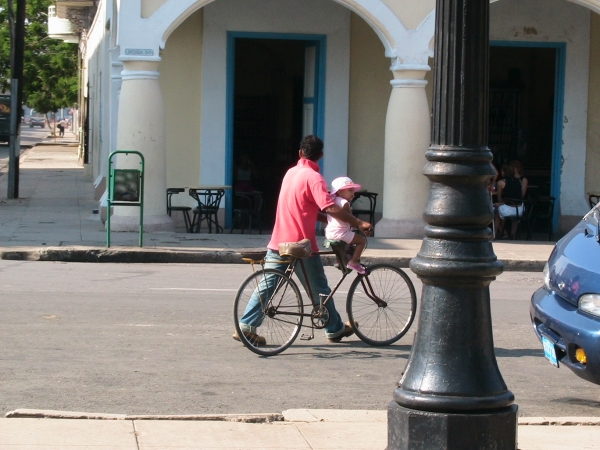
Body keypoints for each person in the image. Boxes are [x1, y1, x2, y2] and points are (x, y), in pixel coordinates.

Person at [233, 135, 373, 346]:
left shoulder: (291, 173)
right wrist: (358, 222)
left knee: (268, 283)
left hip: (279, 239)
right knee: (319, 287)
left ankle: (246, 326)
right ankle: (334, 329)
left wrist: (328, 221)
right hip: (301, 244)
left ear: (300, 153)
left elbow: (305, 208)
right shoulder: (314, 178)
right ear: (321, 155)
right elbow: (330, 206)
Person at [324, 176, 367, 274]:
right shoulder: (344, 202)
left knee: (346, 244)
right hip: (340, 233)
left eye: (353, 191)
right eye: (350, 190)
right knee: (361, 241)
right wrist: (361, 225)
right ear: (339, 192)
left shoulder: (333, 202)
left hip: (330, 233)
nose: (353, 193)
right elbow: (350, 219)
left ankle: (339, 260)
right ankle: (354, 261)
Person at [493, 163, 524, 239]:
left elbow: (499, 199)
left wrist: (500, 203)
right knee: (514, 218)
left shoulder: (501, 183)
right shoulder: (519, 181)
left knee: (496, 211)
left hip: (508, 209)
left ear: (503, 172)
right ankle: (512, 234)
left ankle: (495, 233)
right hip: (519, 209)